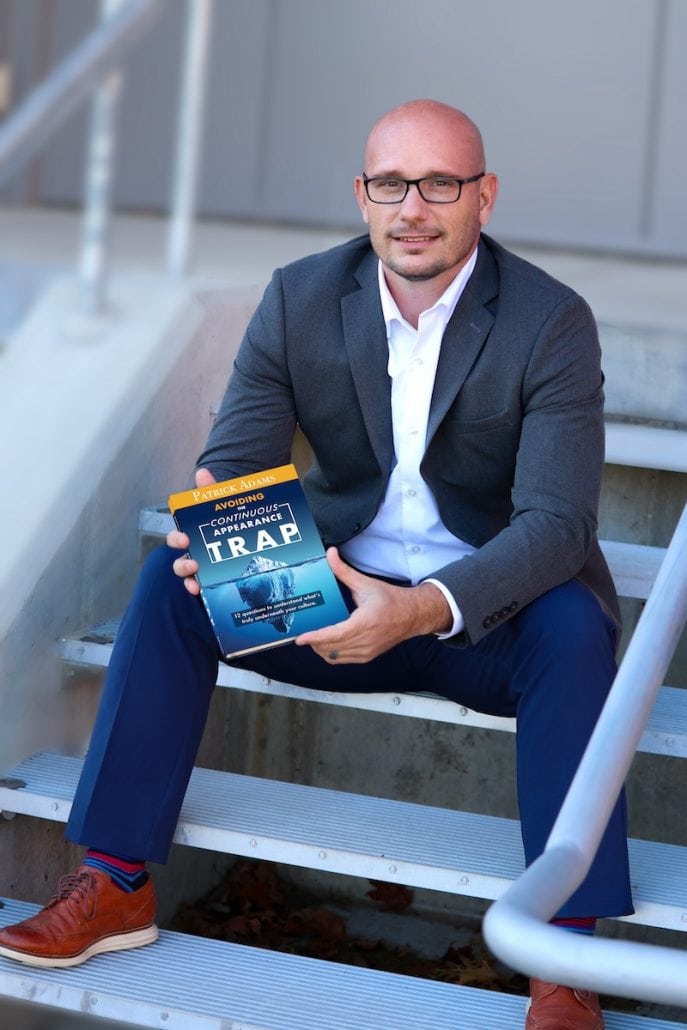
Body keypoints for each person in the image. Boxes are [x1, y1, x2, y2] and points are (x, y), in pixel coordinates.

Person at [0, 99, 630, 1029]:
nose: (412, 207)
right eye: (390, 185)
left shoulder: (549, 321)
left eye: (440, 184)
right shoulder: (301, 296)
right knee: (167, 589)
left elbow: (557, 525)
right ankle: (117, 880)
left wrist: (417, 611)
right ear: (361, 195)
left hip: (484, 618)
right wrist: (216, 517)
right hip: (327, 596)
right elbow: (240, 457)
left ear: (483, 197)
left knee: (578, 627)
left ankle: (564, 956)